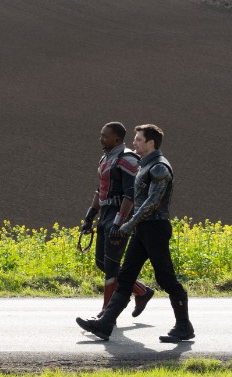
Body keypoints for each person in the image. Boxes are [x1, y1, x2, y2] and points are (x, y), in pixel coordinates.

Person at [77, 124, 194, 342]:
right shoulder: (144, 165)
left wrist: (128, 224)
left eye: (139, 139)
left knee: (166, 278)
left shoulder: (159, 168)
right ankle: (105, 324)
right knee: (126, 276)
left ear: (151, 143)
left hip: (155, 228)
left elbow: (152, 202)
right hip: (142, 227)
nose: (134, 143)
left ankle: (184, 326)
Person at [79, 122, 155, 317]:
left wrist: (119, 223)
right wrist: (89, 216)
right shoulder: (106, 158)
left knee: (111, 266)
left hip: (119, 216)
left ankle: (106, 312)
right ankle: (141, 291)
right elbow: (100, 190)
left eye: (105, 136)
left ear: (117, 139)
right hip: (106, 214)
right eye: (101, 134)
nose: (101, 138)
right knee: (102, 263)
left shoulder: (127, 159)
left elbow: (131, 195)